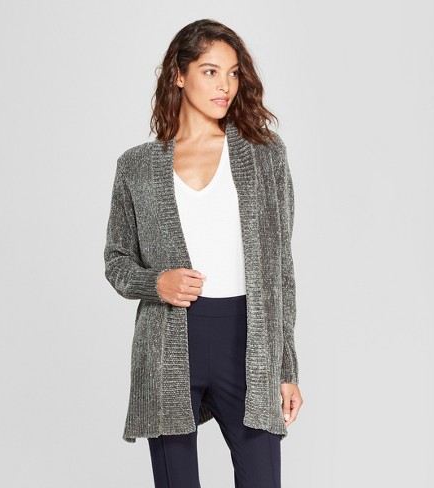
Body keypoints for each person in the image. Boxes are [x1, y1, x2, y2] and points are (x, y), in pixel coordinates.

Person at [104, 18, 303, 488]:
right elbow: (116, 260)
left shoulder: (264, 154)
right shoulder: (137, 166)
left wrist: (286, 368)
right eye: (210, 71)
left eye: (232, 73)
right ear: (179, 74)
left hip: (248, 340)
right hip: (169, 342)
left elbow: (280, 268)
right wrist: (156, 282)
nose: (224, 85)